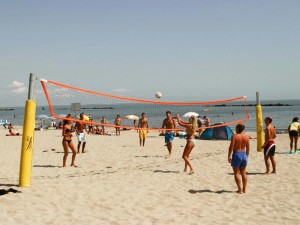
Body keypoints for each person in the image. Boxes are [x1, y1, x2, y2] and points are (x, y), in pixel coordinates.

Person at [228, 124, 250, 194]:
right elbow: (248, 148)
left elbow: (231, 147)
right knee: (243, 172)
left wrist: (229, 156)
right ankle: (244, 189)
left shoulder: (234, 136)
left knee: (236, 172)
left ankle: (239, 189)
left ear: (237, 128)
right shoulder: (246, 137)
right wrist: (247, 156)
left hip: (237, 154)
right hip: (244, 154)